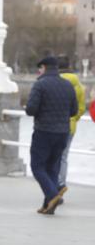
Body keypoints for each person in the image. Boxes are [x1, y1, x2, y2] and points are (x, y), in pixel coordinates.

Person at [25, 56, 78, 214]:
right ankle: (48, 205)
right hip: (63, 132)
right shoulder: (68, 85)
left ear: (44, 68)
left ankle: (53, 195)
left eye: (39, 68)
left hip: (44, 131)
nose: (39, 71)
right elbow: (74, 111)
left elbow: (31, 110)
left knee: (37, 166)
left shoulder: (40, 84)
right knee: (53, 168)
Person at [57, 57, 86, 191]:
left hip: (54, 125)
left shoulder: (54, 82)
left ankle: (52, 185)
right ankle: (61, 183)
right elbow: (81, 108)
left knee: (51, 156)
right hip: (70, 126)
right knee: (63, 156)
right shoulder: (78, 85)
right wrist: (74, 119)